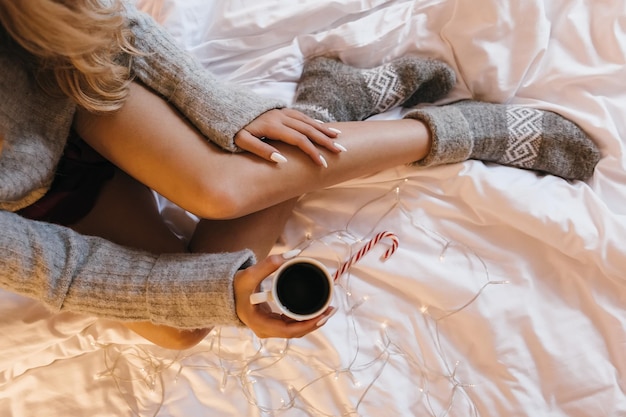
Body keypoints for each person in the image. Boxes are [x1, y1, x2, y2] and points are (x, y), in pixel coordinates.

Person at [0, 0, 601, 349]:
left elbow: (101, 24)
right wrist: (224, 297)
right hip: (36, 190)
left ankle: (457, 131)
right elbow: (64, 268)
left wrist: (225, 110)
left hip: (75, 85)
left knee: (219, 188)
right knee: (181, 328)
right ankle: (327, 109)